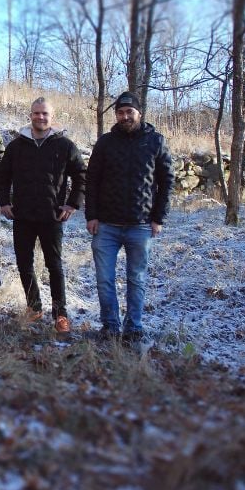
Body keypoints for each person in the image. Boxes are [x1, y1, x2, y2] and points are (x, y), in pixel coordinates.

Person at [85, 91, 174, 344]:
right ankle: (110, 326)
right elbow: (92, 180)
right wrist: (91, 216)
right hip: (106, 226)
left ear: (139, 113)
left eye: (129, 112)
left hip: (141, 225)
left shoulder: (155, 141)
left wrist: (159, 218)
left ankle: (134, 326)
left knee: (137, 279)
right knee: (104, 279)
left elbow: (167, 181)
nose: (125, 116)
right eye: (121, 112)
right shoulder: (105, 143)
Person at [0, 97, 86, 333]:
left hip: (52, 216)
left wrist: (72, 204)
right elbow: (2, 177)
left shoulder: (64, 145)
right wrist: (4, 202)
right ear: (30, 115)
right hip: (22, 216)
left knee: (54, 265)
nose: (40, 117)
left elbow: (81, 175)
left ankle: (60, 314)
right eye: (36, 113)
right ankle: (34, 307)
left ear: (51, 116)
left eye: (44, 114)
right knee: (24, 263)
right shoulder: (16, 146)